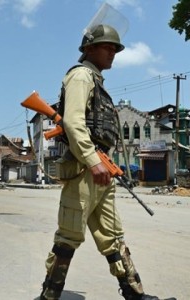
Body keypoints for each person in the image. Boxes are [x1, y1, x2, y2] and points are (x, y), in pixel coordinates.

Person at [39, 24, 176, 300]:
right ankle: (48, 296)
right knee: (68, 236)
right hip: (84, 169)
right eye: (107, 47)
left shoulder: (96, 81)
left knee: (112, 235)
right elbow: (73, 122)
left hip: (101, 170)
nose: (113, 52)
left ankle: (134, 293)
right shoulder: (80, 76)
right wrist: (93, 161)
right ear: (89, 48)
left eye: (115, 48)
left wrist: (106, 164)